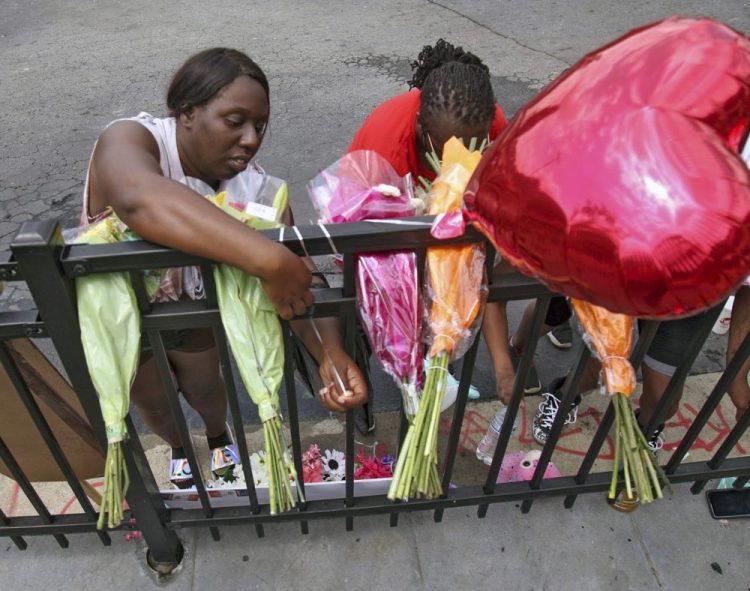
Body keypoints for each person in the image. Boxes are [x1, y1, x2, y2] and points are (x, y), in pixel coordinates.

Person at [81, 48, 367, 487]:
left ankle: (217, 437)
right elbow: (138, 195)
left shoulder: (257, 187)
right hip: (124, 320)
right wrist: (268, 258)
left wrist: (329, 353)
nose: (252, 139)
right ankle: (179, 446)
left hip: (194, 310)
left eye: (260, 125)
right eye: (235, 122)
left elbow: (299, 278)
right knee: (154, 402)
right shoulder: (132, 139)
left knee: (205, 389)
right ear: (186, 113)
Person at [347, 39, 507, 423]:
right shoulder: (386, 142)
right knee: (375, 315)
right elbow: (372, 240)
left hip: (443, 227)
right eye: (443, 147)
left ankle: (436, 374)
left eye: (469, 147)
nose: (455, 158)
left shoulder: (490, 123)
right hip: (383, 223)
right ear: (421, 125)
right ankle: (361, 392)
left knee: (443, 302)